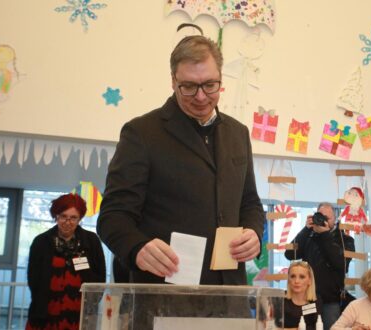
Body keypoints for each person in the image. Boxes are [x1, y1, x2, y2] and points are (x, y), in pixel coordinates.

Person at [97, 35, 264, 286]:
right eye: (189, 86)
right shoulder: (142, 133)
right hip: (164, 294)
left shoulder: (238, 133)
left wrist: (254, 233)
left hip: (229, 293)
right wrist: (137, 247)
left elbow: (249, 202)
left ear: (221, 80)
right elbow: (113, 216)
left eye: (210, 85)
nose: (200, 97)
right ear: (173, 82)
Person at [26, 193, 106, 330]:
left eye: (73, 218)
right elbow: (34, 280)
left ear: (80, 218)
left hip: (80, 314)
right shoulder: (41, 242)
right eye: (63, 216)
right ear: (56, 216)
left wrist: (91, 305)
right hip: (45, 313)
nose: (68, 222)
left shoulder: (91, 241)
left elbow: (100, 278)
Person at [285, 202, 355, 330]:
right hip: (309, 299)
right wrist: (306, 230)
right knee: (307, 327)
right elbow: (289, 254)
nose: (324, 221)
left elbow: (341, 263)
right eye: (320, 216)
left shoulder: (345, 240)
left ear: (335, 219)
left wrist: (325, 235)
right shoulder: (309, 235)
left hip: (331, 300)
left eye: (327, 218)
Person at [275, 261, 322, 330]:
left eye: (302, 277)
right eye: (292, 276)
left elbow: (316, 327)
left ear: (310, 280)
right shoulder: (280, 300)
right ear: (288, 279)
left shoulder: (315, 301)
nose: (296, 281)